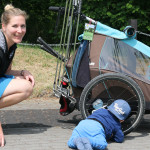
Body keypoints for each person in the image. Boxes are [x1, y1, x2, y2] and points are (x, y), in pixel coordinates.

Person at [0, 4, 35, 147]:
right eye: (15, 26)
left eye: (23, 26)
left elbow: (6, 72)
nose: (20, 31)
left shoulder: (11, 45)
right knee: (24, 87)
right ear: (3, 27)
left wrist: (22, 72)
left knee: (26, 83)